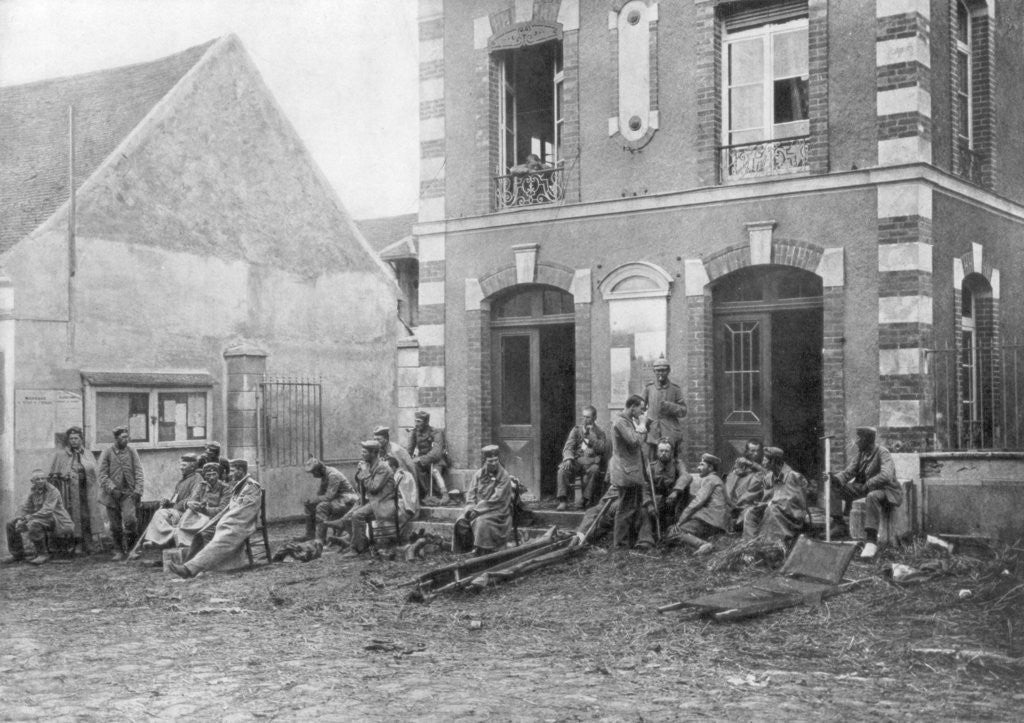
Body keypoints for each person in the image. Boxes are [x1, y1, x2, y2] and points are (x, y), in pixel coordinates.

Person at [168, 459, 262, 578]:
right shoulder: (240, 485)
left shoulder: (251, 486)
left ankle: (189, 569)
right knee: (202, 532)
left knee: (221, 537)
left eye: (233, 471)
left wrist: (222, 521)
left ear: (241, 471)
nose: (229, 474)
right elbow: (230, 508)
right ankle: (189, 565)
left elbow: (244, 512)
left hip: (243, 524)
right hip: (232, 521)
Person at [825, 426, 901, 558]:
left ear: (867, 440)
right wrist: (834, 478)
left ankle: (871, 541)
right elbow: (848, 472)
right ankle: (839, 524)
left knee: (872, 496)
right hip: (866, 488)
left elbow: (887, 475)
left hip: (886, 490)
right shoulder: (861, 454)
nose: (856, 442)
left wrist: (869, 484)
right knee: (835, 487)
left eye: (859, 439)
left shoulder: (883, 453)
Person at [128, 453, 203, 558]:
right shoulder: (182, 481)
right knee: (158, 512)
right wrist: (168, 502)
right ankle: (156, 540)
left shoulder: (197, 479)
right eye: (181, 465)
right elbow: (175, 499)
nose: (181, 468)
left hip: (189, 513)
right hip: (178, 510)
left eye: (184, 465)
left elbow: (194, 499)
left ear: (193, 466)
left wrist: (176, 505)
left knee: (160, 514)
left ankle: (161, 539)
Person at [609, 395, 655, 551]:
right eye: (641, 408)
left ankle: (626, 542)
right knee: (625, 509)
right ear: (632, 407)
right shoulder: (621, 422)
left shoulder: (627, 421)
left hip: (630, 472)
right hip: (625, 473)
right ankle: (620, 546)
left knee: (630, 507)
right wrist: (642, 425)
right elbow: (634, 441)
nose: (642, 412)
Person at [337, 440, 399, 555]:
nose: (362, 455)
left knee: (357, 515)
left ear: (374, 453)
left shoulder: (383, 468)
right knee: (346, 519)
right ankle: (359, 542)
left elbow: (374, 487)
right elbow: (361, 487)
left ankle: (357, 548)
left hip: (382, 501)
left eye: (365, 452)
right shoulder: (369, 465)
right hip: (371, 500)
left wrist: (365, 472)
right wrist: (360, 471)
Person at [3, 469, 74, 565]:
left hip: (58, 520)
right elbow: (26, 507)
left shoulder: (53, 491)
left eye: (43, 478)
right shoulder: (33, 491)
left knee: (34, 523)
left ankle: (43, 554)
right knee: (11, 523)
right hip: (40, 518)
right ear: (32, 481)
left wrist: (29, 517)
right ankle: (17, 554)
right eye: (37, 479)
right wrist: (20, 518)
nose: (41, 481)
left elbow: (47, 511)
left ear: (46, 479)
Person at [48, 425, 101, 553]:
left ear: (81, 439)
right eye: (71, 438)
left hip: (86, 491)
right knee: (72, 516)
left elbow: (95, 471)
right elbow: (55, 475)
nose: (73, 441)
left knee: (86, 516)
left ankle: (88, 543)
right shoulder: (61, 455)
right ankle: (76, 544)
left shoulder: (87, 453)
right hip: (69, 493)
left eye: (76, 438)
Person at [742, 447, 809, 544]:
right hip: (775, 508)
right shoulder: (769, 477)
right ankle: (749, 544)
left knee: (772, 510)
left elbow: (797, 502)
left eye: (765, 459)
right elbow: (767, 497)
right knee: (751, 512)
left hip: (792, 514)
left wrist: (773, 502)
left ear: (773, 461)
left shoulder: (793, 476)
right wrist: (763, 504)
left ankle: (769, 544)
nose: (762, 462)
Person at [453, 445, 513, 555]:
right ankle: (466, 551)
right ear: (485, 461)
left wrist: (477, 511)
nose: (494, 463)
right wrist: (470, 509)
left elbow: (497, 499)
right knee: (461, 522)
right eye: (490, 461)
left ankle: (481, 551)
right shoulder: (478, 475)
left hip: (498, 511)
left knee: (482, 522)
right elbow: (471, 494)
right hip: (478, 509)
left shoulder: (504, 476)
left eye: (496, 460)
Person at [664, 453, 728, 555]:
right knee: (673, 531)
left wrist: (680, 522)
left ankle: (702, 544)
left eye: (702, 465)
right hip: (716, 521)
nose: (698, 467)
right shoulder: (717, 479)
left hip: (709, 520)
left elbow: (697, 503)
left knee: (675, 532)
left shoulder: (710, 480)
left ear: (710, 467)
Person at [98, 426, 145, 562]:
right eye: (123, 437)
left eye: (127, 437)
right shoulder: (107, 452)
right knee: (115, 525)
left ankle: (132, 549)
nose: (126, 440)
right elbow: (102, 475)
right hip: (111, 495)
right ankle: (118, 550)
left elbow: (138, 471)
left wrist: (138, 490)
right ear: (116, 438)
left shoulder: (131, 451)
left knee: (130, 520)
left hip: (128, 493)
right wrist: (112, 489)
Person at [555, 405, 608, 511]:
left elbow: (602, 449)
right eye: (584, 417)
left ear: (594, 418)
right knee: (562, 469)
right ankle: (563, 500)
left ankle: (584, 499)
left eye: (588, 417)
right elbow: (568, 446)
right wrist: (569, 458)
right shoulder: (576, 430)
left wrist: (593, 438)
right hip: (577, 461)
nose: (585, 419)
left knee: (595, 470)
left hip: (591, 462)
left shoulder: (600, 433)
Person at [173, 462, 232, 547]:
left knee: (197, 529)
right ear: (204, 476)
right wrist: (193, 504)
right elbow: (193, 499)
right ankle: (186, 544)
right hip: (201, 516)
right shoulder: (201, 486)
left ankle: (192, 545)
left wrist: (205, 510)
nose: (211, 477)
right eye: (208, 475)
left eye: (214, 474)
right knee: (186, 519)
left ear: (218, 475)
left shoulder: (225, 488)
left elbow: (223, 509)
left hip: (216, 519)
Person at [302, 457, 358, 544]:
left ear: (318, 470)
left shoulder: (332, 475)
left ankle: (320, 539)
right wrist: (311, 502)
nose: (313, 475)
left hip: (347, 500)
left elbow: (329, 496)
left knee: (322, 507)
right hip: (337, 499)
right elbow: (321, 494)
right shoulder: (325, 475)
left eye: (313, 472)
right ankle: (310, 535)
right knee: (309, 506)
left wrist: (315, 500)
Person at [642, 356, 688, 460]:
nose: (660, 373)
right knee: (652, 459)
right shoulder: (649, 388)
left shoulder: (675, 389)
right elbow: (640, 408)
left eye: (663, 370)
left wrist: (671, 406)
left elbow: (683, 411)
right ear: (654, 371)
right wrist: (644, 422)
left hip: (670, 430)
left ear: (668, 371)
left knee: (671, 459)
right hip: (653, 430)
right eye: (658, 371)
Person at [407, 411, 449, 504]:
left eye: (419, 421)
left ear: (426, 422)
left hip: (436, 460)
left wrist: (421, 459)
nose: (416, 424)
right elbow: (409, 450)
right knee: (414, 466)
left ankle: (445, 494)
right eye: (415, 421)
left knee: (435, 471)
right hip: (422, 461)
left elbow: (437, 453)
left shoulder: (436, 432)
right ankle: (427, 493)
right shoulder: (415, 432)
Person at [650, 439, 690, 533]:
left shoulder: (677, 464)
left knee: (685, 489)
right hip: (657, 502)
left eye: (666, 451)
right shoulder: (651, 467)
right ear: (657, 452)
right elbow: (645, 487)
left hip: (674, 501)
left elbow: (686, 476)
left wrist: (675, 491)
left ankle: (677, 527)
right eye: (661, 451)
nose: (663, 453)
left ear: (671, 452)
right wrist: (649, 504)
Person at [724, 439, 765, 530]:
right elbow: (730, 481)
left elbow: (767, 475)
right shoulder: (741, 462)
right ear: (747, 451)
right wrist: (736, 471)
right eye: (752, 451)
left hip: (750, 502)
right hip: (733, 500)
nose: (755, 454)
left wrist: (751, 464)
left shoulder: (765, 462)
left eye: (758, 451)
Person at [388, 455, 420, 535]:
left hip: (405, 507)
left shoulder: (403, 475)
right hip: (399, 504)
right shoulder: (396, 475)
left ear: (394, 467)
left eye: (387, 468)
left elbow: (403, 495)